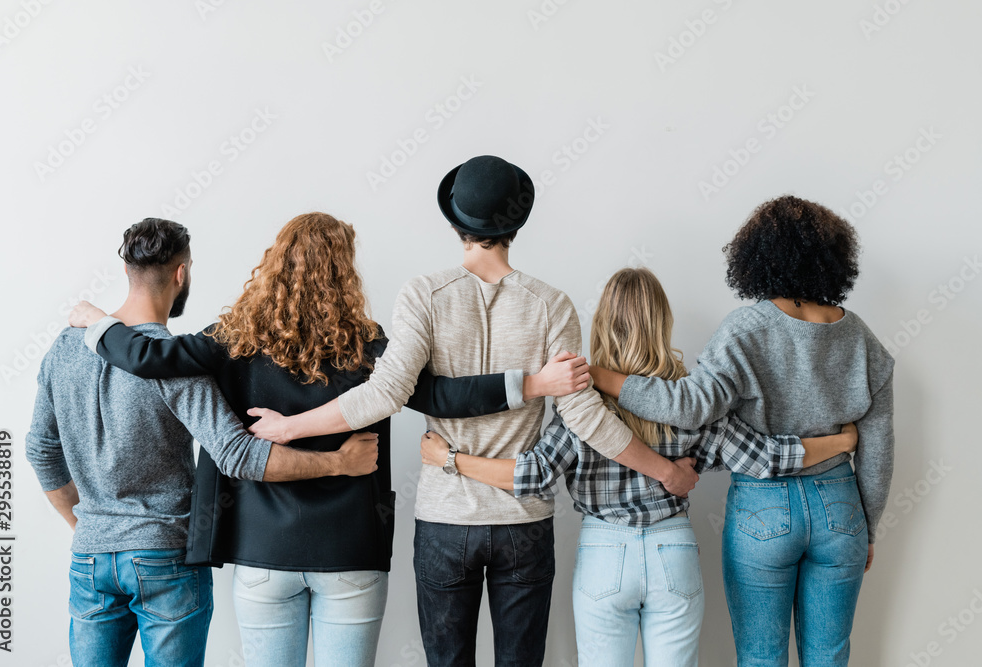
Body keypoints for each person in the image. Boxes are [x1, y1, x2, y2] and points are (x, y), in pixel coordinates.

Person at [69, 212, 584, 667]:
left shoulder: (231, 338)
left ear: (273, 265)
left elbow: (147, 359)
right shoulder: (370, 344)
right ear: (345, 272)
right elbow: (442, 397)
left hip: (262, 553)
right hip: (351, 553)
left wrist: (96, 321)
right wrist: (533, 384)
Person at [245, 156, 701, 666]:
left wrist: (290, 427)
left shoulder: (424, 294)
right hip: (523, 523)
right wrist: (664, 471)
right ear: (516, 225)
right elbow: (584, 416)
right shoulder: (552, 303)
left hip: (445, 520)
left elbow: (384, 392)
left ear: (455, 222)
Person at [419, 266, 859, 667]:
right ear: (662, 323)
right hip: (674, 551)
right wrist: (841, 441)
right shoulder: (692, 400)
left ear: (601, 324)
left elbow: (530, 476)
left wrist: (449, 458)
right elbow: (767, 458)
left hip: (604, 554)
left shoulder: (582, 402)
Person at [25, 218, 372, 667]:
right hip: (165, 558)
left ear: (127, 270)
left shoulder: (65, 348)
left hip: (90, 559)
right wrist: (339, 462)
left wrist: (89, 526)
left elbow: (40, 450)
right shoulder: (176, 361)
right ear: (181, 274)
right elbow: (238, 455)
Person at [590, 196, 895, 666]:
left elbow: (688, 407)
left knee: (759, 656)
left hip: (763, 507)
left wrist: (604, 377)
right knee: (831, 655)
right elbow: (878, 451)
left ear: (759, 257)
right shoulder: (862, 339)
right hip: (841, 508)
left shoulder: (746, 329)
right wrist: (867, 528)